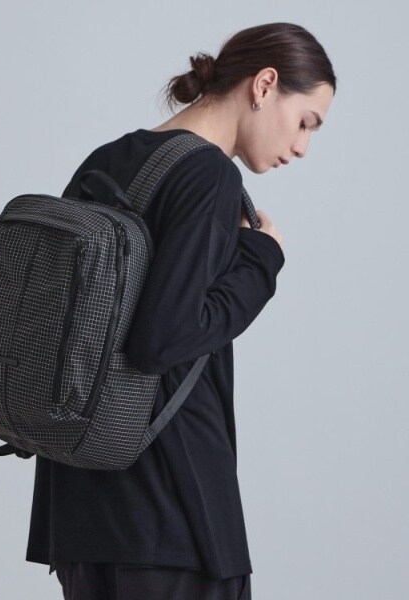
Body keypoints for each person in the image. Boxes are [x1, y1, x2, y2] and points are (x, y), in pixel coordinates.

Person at [25, 21, 336, 599]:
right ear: (265, 85)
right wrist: (261, 261)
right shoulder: (208, 173)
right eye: (305, 122)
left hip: (79, 512)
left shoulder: (108, 160)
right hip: (169, 515)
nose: (301, 148)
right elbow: (161, 341)